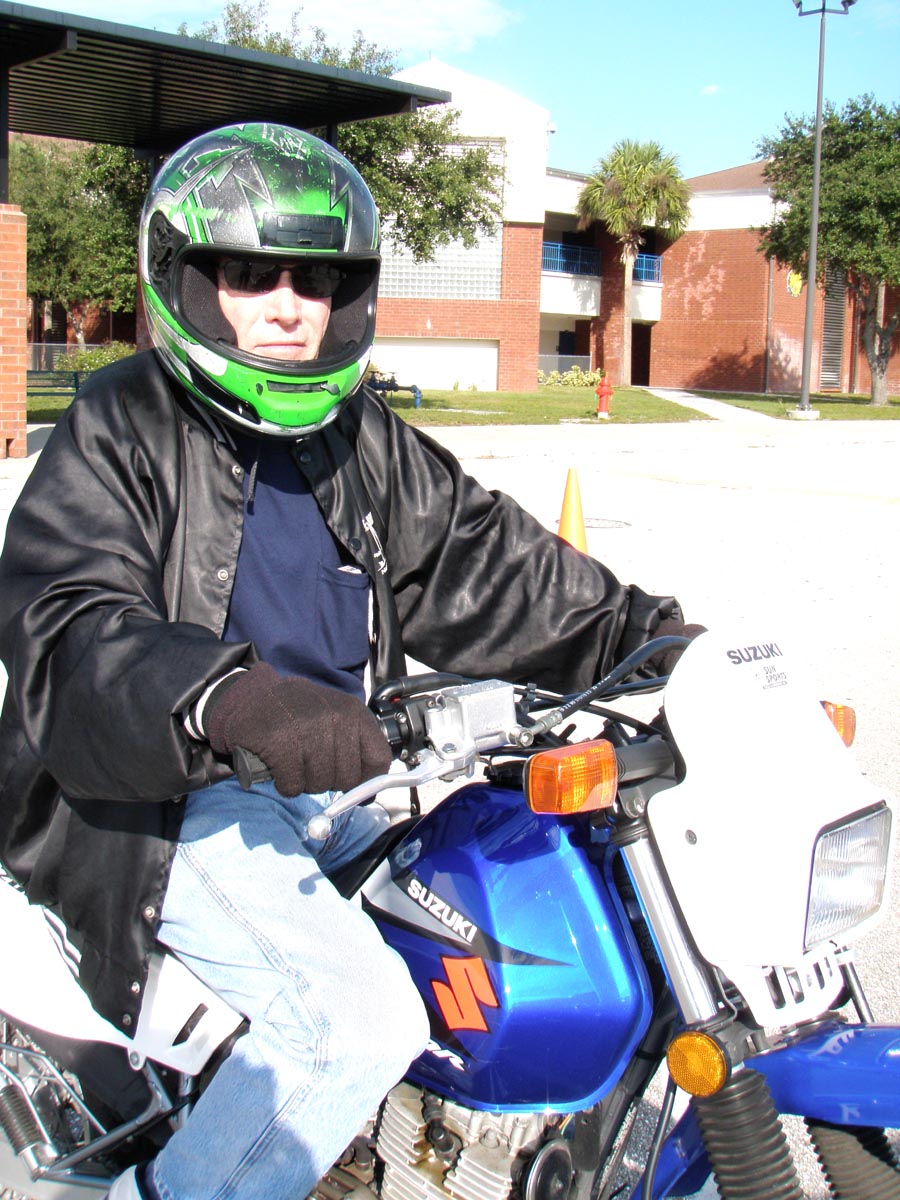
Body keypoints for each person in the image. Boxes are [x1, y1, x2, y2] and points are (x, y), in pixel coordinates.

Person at [0, 123, 693, 1200]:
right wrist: (226, 698)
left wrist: (652, 642)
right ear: (188, 281)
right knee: (355, 1025)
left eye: (316, 278)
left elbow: (481, 558)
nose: (290, 304)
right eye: (251, 274)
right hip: (157, 803)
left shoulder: (356, 434)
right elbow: (70, 626)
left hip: (341, 786)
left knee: (525, 923)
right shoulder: (120, 421)